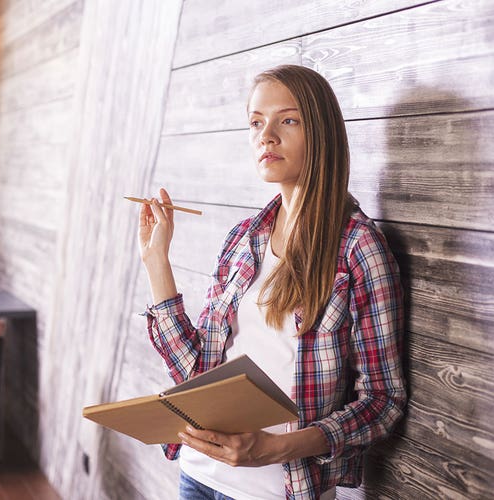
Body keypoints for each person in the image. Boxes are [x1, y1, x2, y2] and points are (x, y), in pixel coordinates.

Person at [137, 65, 406, 500]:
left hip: (279, 490)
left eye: (288, 120)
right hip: (198, 476)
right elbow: (197, 372)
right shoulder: (244, 238)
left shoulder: (358, 249)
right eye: (257, 122)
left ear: (320, 132)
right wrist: (156, 262)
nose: (267, 135)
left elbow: (383, 400)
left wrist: (276, 448)